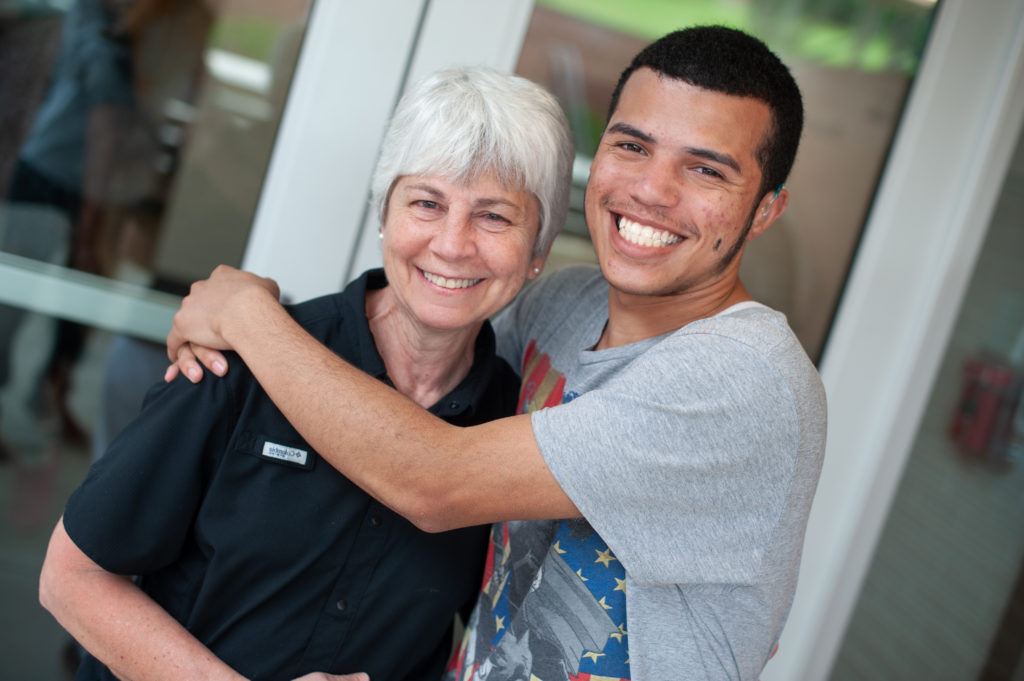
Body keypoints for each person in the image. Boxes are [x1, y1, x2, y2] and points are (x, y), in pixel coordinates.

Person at [166, 26, 827, 681]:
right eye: (632, 146)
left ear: (766, 210)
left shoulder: (744, 379)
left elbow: (433, 478)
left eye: (706, 168)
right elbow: (414, 390)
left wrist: (249, 315)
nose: (653, 190)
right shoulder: (561, 304)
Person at [39, 66, 575, 681]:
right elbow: (71, 578)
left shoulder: (511, 429)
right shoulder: (242, 357)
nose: (452, 244)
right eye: (427, 203)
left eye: (495, 217)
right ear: (384, 215)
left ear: (538, 251)